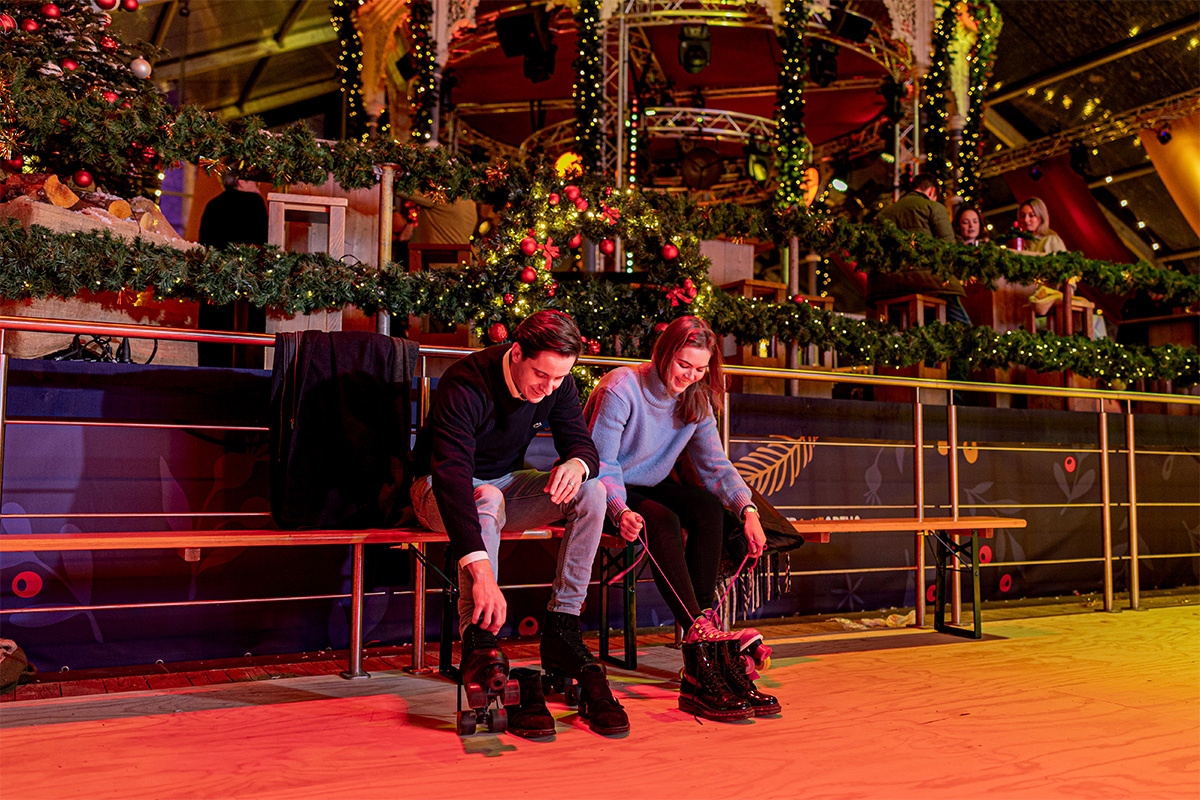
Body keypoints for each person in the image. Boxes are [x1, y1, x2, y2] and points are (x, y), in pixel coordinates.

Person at [408, 310, 628, 737]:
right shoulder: (465, 381)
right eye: (541, 376)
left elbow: (582, 443)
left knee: (593, 491)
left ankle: (562, 627)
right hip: (436, 490)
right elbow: (452, 476)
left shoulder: (556, 383)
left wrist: (579, 464)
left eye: (559, 379)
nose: (548, 389)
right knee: (485, 496)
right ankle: (479, 638)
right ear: (516, 353)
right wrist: (482, 575)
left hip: (503, 486)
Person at [583, 316, 780, 722]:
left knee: (707, 507)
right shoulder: (622, 387)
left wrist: (748, 510)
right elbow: (602, 464)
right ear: (664, 353)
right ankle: (708, 645)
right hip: (602, 490)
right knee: (661, 519)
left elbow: (714, 466)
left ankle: (703, 636)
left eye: (700, 369)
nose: (689, 376)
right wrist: (621, 510)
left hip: (648, 485)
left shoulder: (696, 398)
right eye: (683, 365)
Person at [872, 174, 970, 324]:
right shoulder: (934, 207)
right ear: (931, 192)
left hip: (885, 288)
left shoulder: (883, 214)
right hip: (926, 282)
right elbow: (948, 248)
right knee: (963, 328)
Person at [196, 171, 269, 367]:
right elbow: (264, 246)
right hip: (247, 287)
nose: (259, 186)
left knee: (215, 351)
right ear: (241, 180)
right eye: (256, 181)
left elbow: (204, 247)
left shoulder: (213, 205)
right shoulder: (255, 204)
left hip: (215, 287)